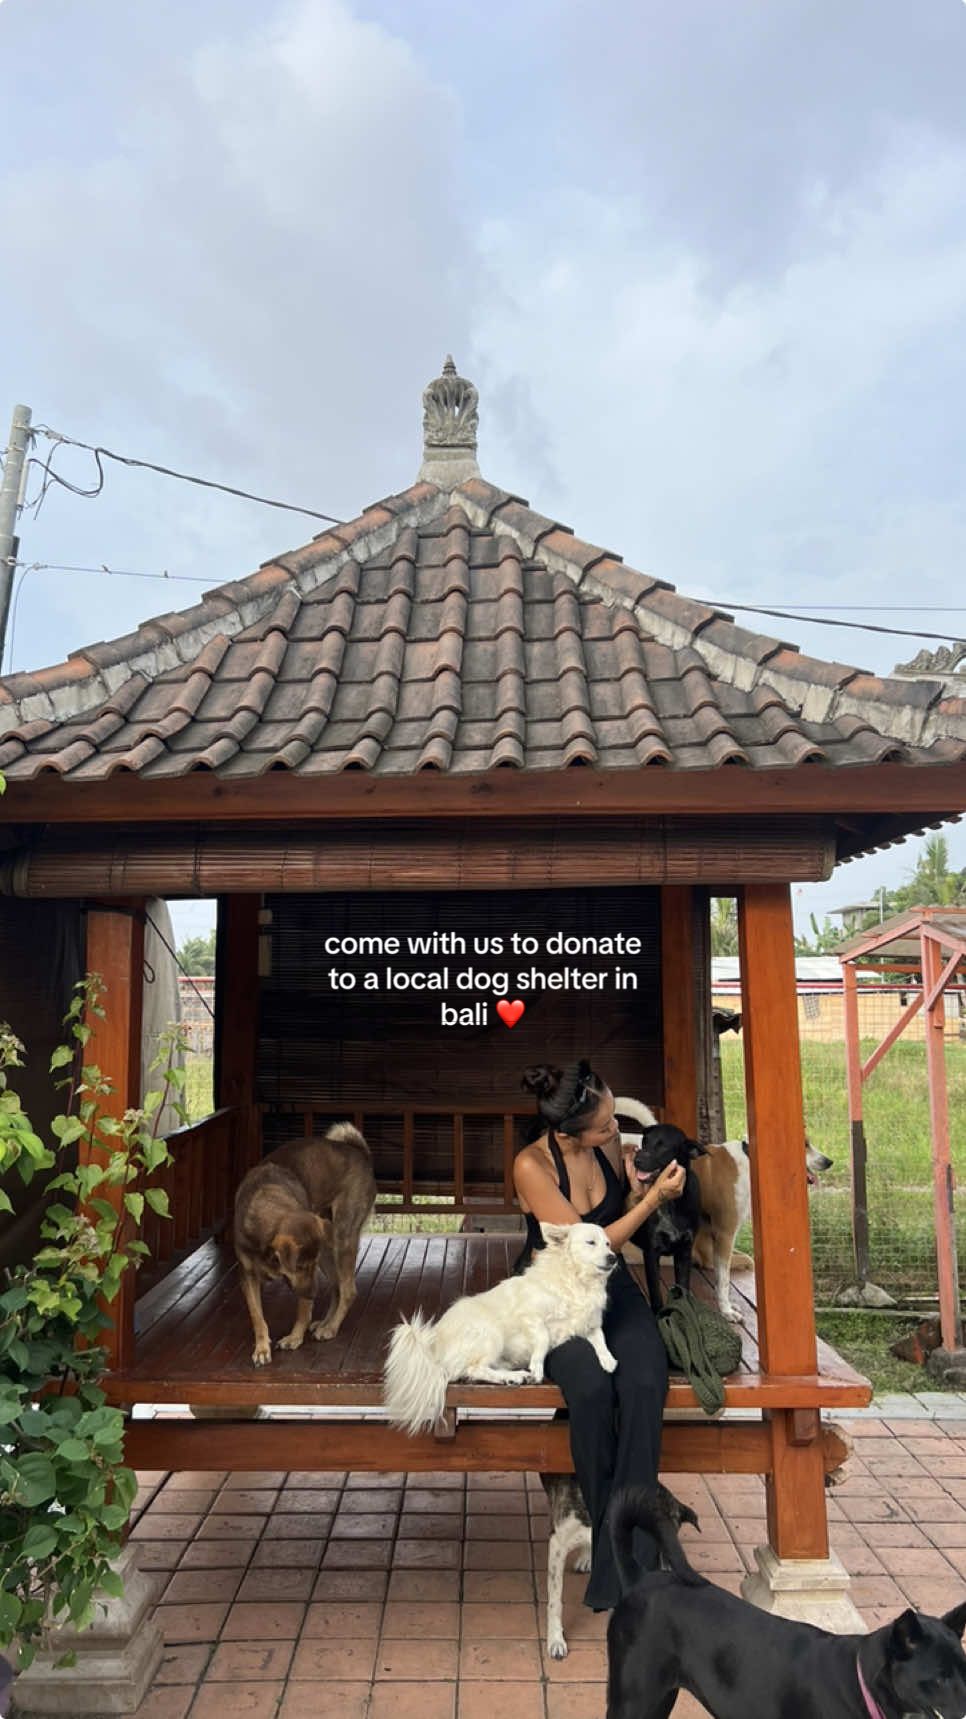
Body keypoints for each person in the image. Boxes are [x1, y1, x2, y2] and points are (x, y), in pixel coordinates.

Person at [512, 1057, 686, 1611]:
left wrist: (646, 1192)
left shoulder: (608, 1146)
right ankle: (614, 1552)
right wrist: (653, 1203)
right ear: (568, 1134)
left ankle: (631, 1550)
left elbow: (621, 1215)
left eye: (614, 1120)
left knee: (642, 1380)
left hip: (611, 1292)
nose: (615, 1132)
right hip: (556, 1295)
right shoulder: (531, 1167)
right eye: (604, 1127)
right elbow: (595, 1242)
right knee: (589, 1391)